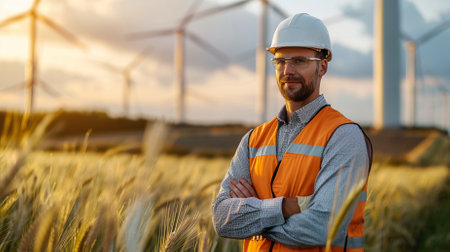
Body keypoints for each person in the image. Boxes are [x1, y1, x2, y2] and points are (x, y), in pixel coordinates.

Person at [212, 13, 373, 252]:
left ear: (323, 67)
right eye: (280, 61)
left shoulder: (343, 136)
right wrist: (284, 208)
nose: (287, 70)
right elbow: (221, 219)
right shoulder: (254, 140)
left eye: (299, 60)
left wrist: (252, 216)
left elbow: (322, 225)